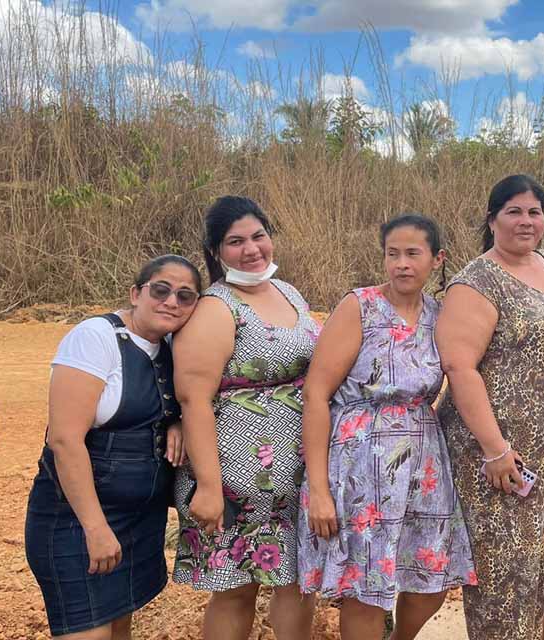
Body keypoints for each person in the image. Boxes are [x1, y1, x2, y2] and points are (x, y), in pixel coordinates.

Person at [436, 174, 544, 640]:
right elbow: (460, 368)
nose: (526, 221)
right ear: (492, 220)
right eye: (514, 211)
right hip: (506, 457)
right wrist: (495, 449)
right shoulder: (477, 283)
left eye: (534, 212)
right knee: (507, 570)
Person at [298, 213, 475, 639]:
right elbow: (316, 395)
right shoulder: (359, 307)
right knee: (365, 587)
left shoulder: (440, 315)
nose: (402, 264)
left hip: (424, 464)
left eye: (413, 254)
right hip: (360, 463)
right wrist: (319, 489)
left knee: (431, 579)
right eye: (392, 254)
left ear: (437, 259)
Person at [25, 254, 201, 639]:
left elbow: (184, 401)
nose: (172, 302)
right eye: (161, 290)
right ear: (136, 293)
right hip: (78, 520)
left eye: (185, 296)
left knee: (120, 628)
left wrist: (177, 421)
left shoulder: (173, 346)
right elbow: (64, 440)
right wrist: (95, 527)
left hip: (141, 521)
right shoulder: (95, 338)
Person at [172, 196, 320, 640]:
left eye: (258, 236)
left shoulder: (289, 292)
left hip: (295, 471)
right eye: (235, 242)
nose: (251, 249)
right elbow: (194, 399)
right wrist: (208, 486)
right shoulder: (217, 307)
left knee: (298, 582)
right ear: (215, 251)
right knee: (236, 589)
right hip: (236, 475)